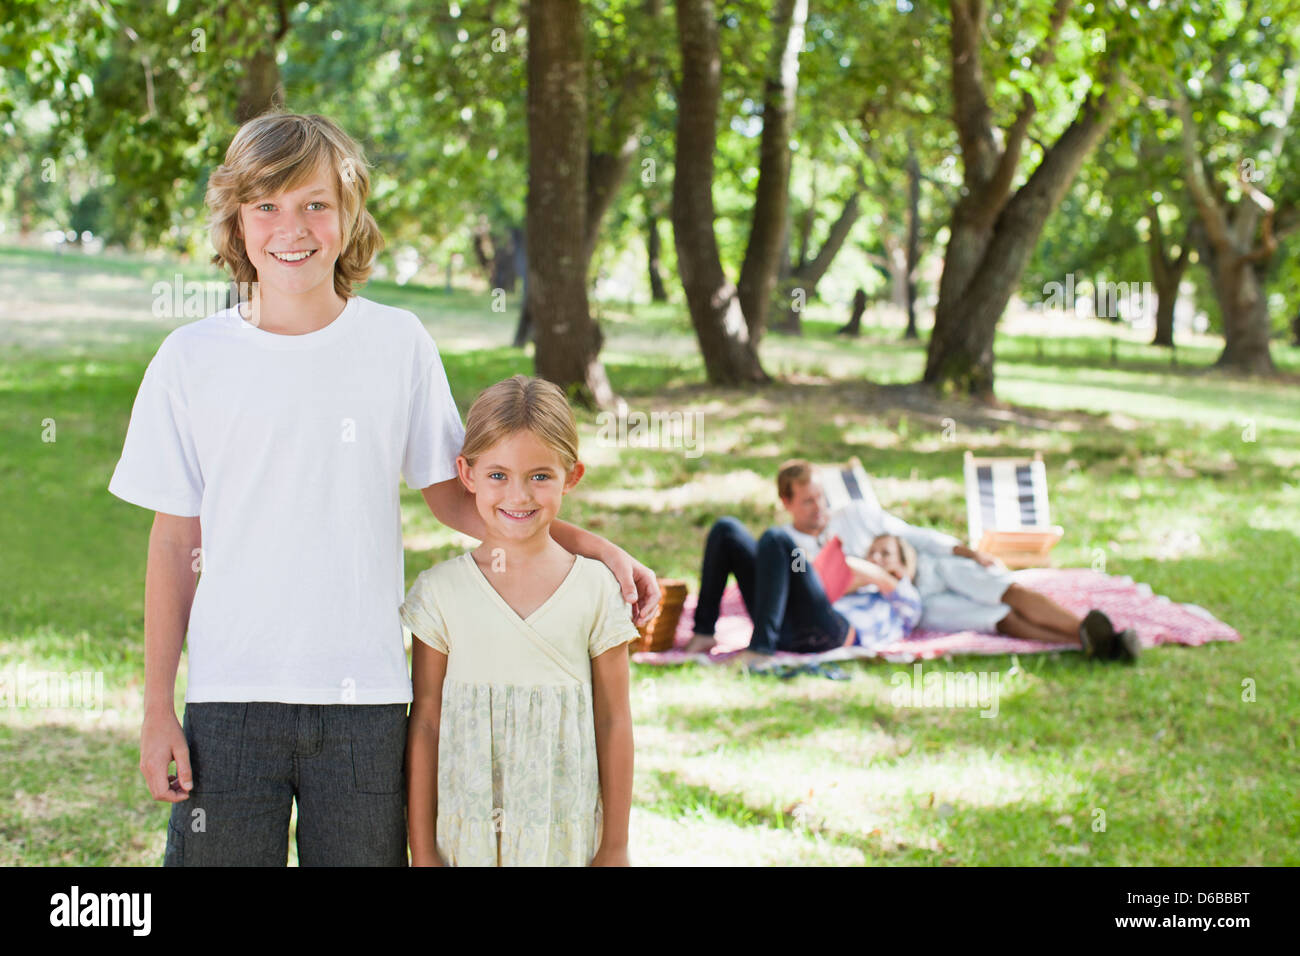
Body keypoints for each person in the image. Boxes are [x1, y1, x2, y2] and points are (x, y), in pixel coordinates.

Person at [109, 112, 656, 867]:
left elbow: (464, 502)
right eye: (265, 205)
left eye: (314, 204)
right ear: (236, 218)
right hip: (228, 700)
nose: (290, 227)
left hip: (364, 703)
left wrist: (594, 549)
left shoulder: (396, 344)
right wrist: (155, 709)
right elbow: (176, 541)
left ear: (348, 213)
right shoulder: (190, 359)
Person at [400, 376, 637, 866]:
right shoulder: (442, 593)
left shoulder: (594, 591)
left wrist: (614, 846)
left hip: (563, 839)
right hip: (465, 841)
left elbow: (615, 720)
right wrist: (421, 851)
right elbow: (425, 722)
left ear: (572, 476)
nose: (519, 495)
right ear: (466, 474)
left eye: (540, 476)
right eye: (497, 475)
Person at [686, 459, 1136, 667]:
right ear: (787, 503)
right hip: (874, 606)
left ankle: (1089, 630)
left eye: (821, 497)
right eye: (807, 502)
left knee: (1006, 593)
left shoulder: (857, 517)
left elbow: (911, 535)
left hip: (917, 577)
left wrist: (962, 549)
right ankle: (1085, 641)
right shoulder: (788, 540)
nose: (819, 508)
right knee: (1000, 620)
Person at [835, 534, 924, 650]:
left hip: (844, 633)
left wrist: (836, 557)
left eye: (885, 553)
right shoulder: (859, 588)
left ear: (903, 562)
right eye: (871, 553)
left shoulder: (907, 595)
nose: (875, 557)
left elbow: (880, 577)